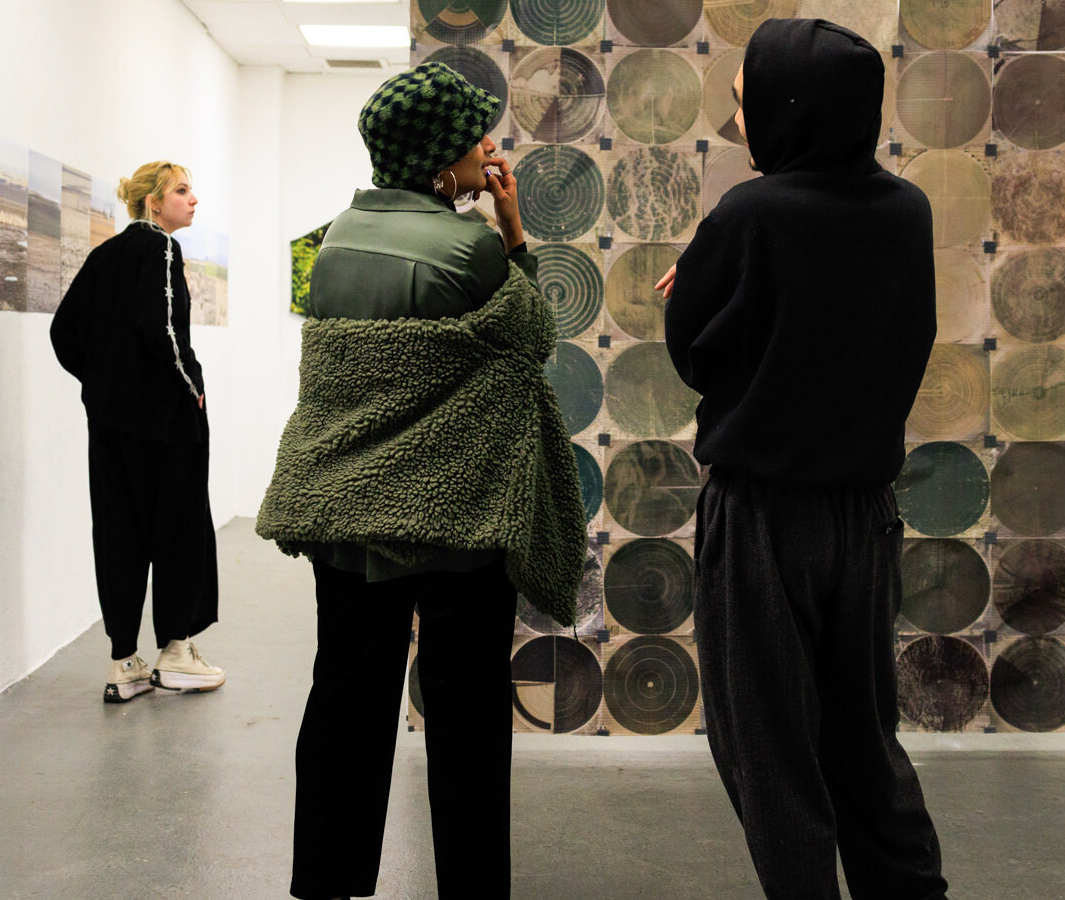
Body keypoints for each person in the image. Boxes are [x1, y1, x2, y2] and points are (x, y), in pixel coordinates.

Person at [256, 62, 588, 900]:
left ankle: (327, 882)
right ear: (441, 159)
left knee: (345, 698)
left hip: (348, 515)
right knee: (468, 712)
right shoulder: (468, 247)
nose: (489, 145)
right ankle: (473, 886)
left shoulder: (329, 239)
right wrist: (513, 231)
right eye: (475, 134)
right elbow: (534, 338)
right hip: (455, 523)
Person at [658, 18, 950, 900]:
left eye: (745, 104)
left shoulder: (750, 212)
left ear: (789, 108)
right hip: (865, 514)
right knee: (863, 739)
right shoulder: (908, 209)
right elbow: (901, 330)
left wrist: (711, 267)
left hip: (761, 517)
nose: (739, 123)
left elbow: (694, 352)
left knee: (767, 749)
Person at [48, 161, 225, 704]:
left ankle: (123, 661)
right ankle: (176, 652)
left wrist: (103, 384)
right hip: (166, 425)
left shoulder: (104, 255)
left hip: (109, 425)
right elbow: (163, 328)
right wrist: (189, 386)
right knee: (179, 529)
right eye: (181, 191)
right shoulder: (161, 250)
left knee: (119, 534)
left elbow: (64, 332)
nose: (193, 200)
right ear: (154, 203)